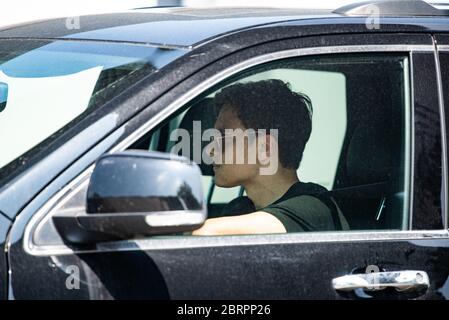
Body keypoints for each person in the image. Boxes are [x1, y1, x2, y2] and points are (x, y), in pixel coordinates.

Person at [192, 79, 348, 236]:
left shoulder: (312, 210)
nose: (210, 150)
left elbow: (204, 233)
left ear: (265, 149)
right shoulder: (240, 208)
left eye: (223, 137)